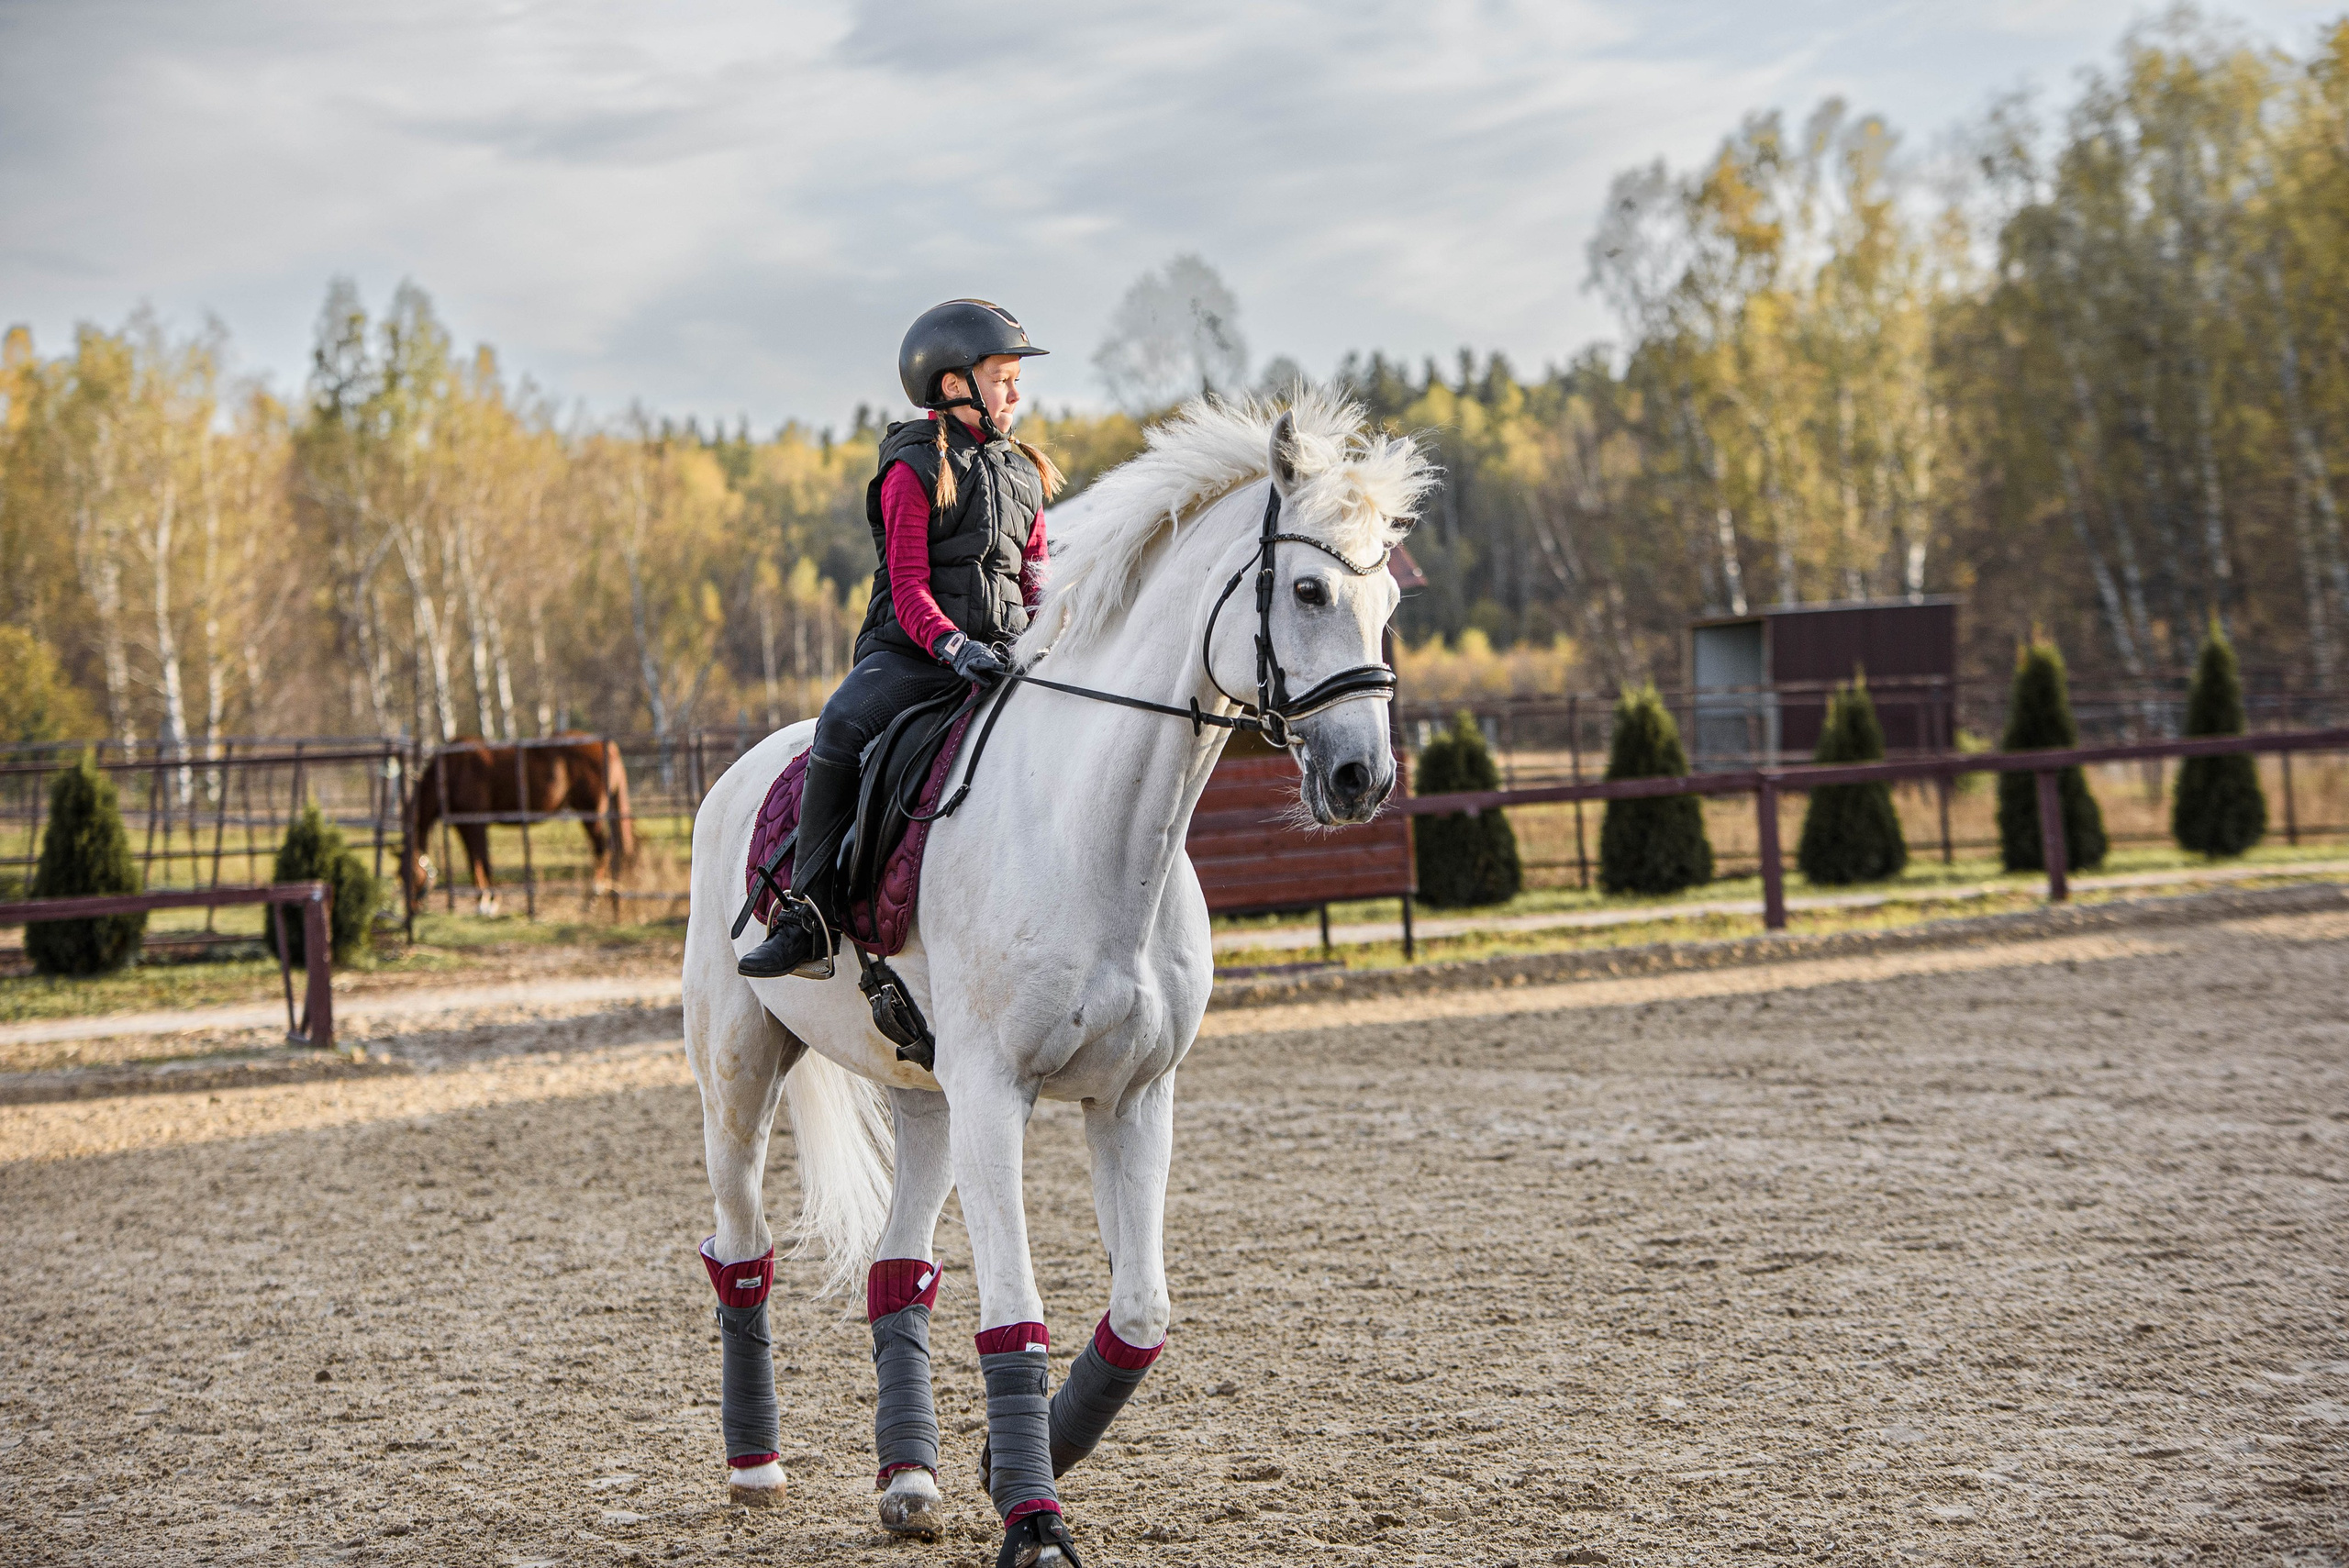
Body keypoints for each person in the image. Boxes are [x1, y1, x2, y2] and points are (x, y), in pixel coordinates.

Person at [739, 300, 1063, 979]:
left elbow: (1036, 582)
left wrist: (1046, 637)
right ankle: (807, 911)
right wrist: (953, 647)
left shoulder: (1026, 471)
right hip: (915, 656)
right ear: (954, 384)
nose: (1016, 391)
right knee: (839, 728)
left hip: (1002, 659)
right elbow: (910, 585)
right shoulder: (912, 466)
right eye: (1004, 376)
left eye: (1015, 379)